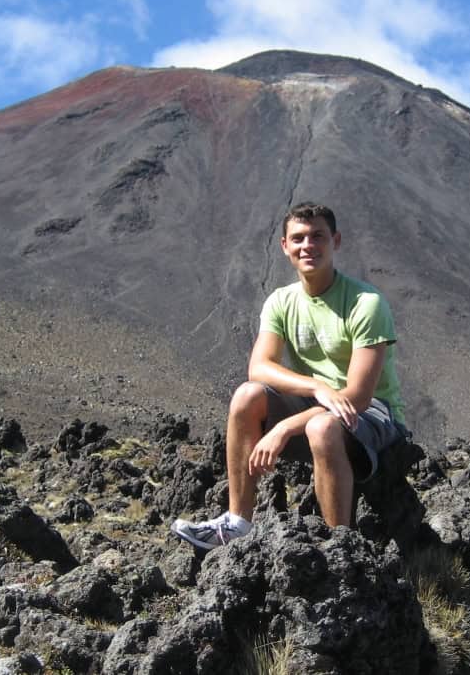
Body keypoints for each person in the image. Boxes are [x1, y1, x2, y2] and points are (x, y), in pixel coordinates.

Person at [171, 202, 408, 550]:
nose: (307, 246)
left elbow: (357, 398)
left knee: (322, 426)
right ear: (284, 246)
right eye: (298, 238)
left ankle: (338, 547)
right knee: (247, 396)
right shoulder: (281, 302)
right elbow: (260, 367)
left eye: (318, 237)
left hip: (376, 415)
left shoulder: (366, 303)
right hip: (319, 405)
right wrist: (318, 387)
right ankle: (237, 523)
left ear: (336, 241)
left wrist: (283, 427)